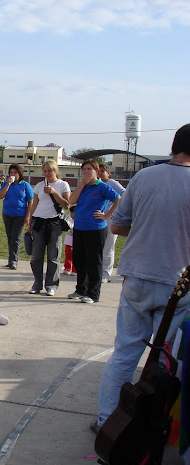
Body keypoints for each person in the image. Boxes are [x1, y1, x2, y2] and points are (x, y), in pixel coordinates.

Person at [93, 124, 190, 432]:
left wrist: (149, 228)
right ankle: (150, 426)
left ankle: (108, 421)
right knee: (165, 361)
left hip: (137, 276)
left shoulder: (143, 177)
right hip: (177, 284)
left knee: (124, 353)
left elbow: (117, 226)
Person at [66, 160, 120, 304]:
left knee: (94, 261)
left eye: (89, 169)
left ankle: (93, 293)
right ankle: (81, 289)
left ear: (96, 171)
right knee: (79, 259)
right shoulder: (82, 186)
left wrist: (107, 215)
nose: (86, 172)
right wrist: (82, 184)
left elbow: (118, 199)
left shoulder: (102, 187)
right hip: (79, 227)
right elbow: (71, 200)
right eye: (84, 169)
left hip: (95, 228)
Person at [25, 160, 71, 297]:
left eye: (49, 171)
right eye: (44, 171)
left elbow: (67, 205)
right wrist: (30, 220)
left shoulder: (63, 185)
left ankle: (51, 285)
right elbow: (35, 203)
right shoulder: (39, 185)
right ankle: (37, 283)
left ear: (55, 171)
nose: (47, 173)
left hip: (55, 222)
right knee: (37, 256)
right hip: (39, 221)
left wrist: (55, 193)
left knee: (53, 256)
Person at [0, 164, 34, 270]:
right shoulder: (6, 184)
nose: (13, 175)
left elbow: (30, 201)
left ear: (19, 174)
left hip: (20, 215)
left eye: (15, 172)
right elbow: (0, 196)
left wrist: (28, 216)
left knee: (16, 238)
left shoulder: (25, 185)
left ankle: (14, 260)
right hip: (7, 214)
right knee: (10, 238)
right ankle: (10, 259)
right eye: (11, 173)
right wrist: (8, 185)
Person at [98, 164, 126, 283]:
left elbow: (124, 195)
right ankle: (97, 271)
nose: (100, 174)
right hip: (97, 218)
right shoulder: (96, 184)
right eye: (98, 171)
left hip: (110, 218)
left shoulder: (112, 183)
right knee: (99, 246)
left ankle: (106, 273)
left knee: (108, 246)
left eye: (103, 171)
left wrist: (114, 212)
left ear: (108, 173)